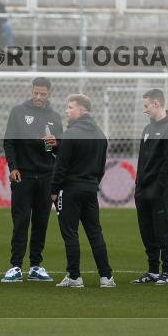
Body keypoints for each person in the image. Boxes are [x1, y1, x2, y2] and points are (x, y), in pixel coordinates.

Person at [1, 77, 64, 283]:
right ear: (32, 91)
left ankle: (36, 266)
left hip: (46, 176)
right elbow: (9, 142)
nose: (38, 97)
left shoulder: (54, 117)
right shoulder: (18, 112)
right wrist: (13, 167)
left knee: (41, 222)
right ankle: (15, 266)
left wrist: (55, 144)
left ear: (49, 94)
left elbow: (59, 150)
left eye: (42, 94)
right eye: (35, 93)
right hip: (23, 176)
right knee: (20, 221)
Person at [51, 94, 115, 288]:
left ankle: (74, 276)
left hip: (70, 190)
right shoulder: (100, 135)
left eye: (70, 107)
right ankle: (106, 277)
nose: (67, 110)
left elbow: (61, 166)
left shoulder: (70, 134)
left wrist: (54, 190)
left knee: (70, 233)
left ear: (81, 110)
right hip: (90, 189)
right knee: (95, 233)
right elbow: (101, 167)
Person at [131, 89, 168, 285]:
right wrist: (138, 185)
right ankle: (152, 270)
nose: (144, 110)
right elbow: (142, 159)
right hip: (142, 188)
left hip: (159, 189)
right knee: (146, 230)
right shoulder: (148, 129)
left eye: (146, 106)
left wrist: (158, 187)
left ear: (157, 104)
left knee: (162, 230)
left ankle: (167, 271)